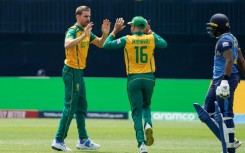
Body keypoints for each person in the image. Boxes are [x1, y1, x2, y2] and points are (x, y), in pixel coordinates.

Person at [103, 16, 167, 153]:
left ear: (133, 27)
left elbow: (106, 45)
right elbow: (164, 44)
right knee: (146, 105)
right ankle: (148, 124)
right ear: (144, 27)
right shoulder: (151, 38)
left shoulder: (128, 39)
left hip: (134, 78)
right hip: (149, 78)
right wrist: (150, 32)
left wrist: (114, 31)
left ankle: (141, 145)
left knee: (136, 112)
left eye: (131, 25)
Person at [51, 5, 110, 151]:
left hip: (79, 72)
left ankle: (83, 140)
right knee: (70, 106)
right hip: (71, 71)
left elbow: (101, 44)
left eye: (89, 16)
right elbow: (66, 44)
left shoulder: (88, 32)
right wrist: (83, 36)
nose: (88, 19)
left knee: (82, 106)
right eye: (85, 16)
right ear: (78, 16)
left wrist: (105, 34)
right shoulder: (73, 30)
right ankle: (58, 139)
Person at [194, 13, 245, 153]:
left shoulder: (224, 41)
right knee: (207, 113)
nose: (210, 30)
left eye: (213, 27)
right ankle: (231, 141)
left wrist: (225, 81)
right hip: (219, 79)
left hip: (225, 79)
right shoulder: (232, 38)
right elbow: (241, 60)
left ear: (220, 28)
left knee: (226, 113)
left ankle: (229, 144)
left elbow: (230, 61)